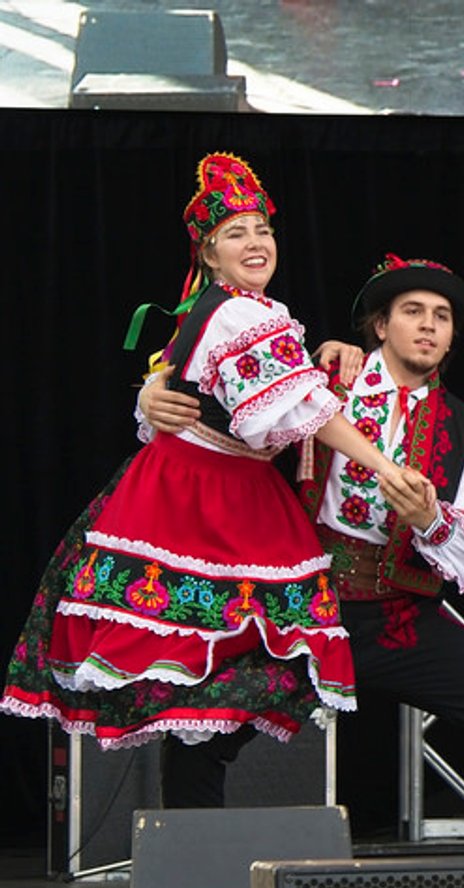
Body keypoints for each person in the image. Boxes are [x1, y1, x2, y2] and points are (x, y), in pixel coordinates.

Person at [139, 254, 464, 888]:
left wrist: (432, 517)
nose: (429, 327)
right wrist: (150, 394)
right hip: (306, 610)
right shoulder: (317, 383)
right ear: (379, 324)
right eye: (412, 312)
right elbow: (217, 400)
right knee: (199, 731)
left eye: (442, 316)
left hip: (401, 617)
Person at [1, 152, 421, 809]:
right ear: (207, 252)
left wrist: (323, 359)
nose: (255, 243)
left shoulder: (234, 311)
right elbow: (308, 412)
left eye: (263, 230)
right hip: (197, 501)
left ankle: (198, 821)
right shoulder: (237, 314)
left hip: (211, 492)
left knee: (221, 669)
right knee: (228, 663)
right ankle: (196, 833)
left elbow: (265, 394)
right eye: (236, 234)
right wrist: (389, 467)